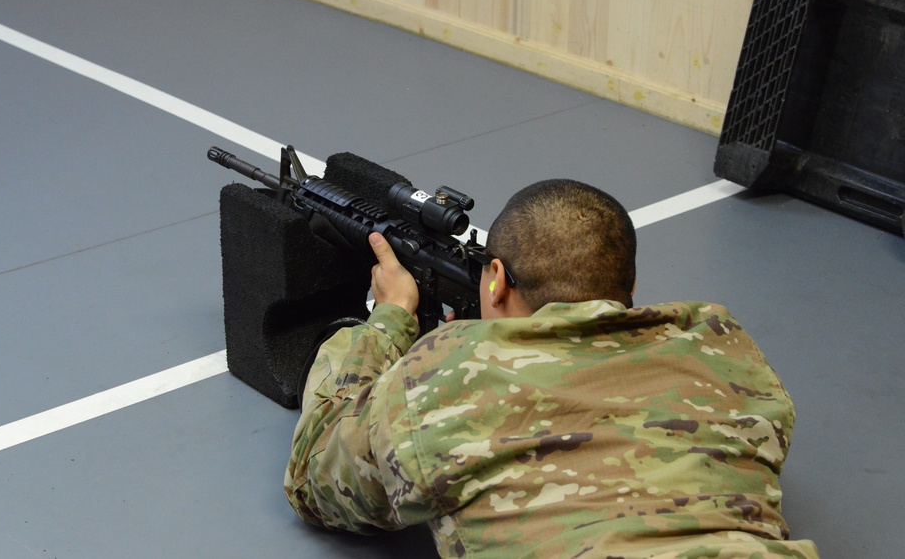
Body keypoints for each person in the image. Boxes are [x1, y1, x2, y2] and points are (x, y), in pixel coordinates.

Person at [284, 179, 819, 558]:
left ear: (494, 280)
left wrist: (391, 319)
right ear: (629, 288)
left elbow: (315, 480)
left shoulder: (445, 372)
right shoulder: (722, 348)